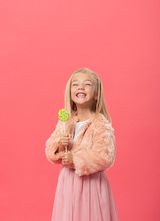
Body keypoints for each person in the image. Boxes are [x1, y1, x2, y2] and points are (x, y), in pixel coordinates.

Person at [45, 68, 118, 221]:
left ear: (96, 94)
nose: (80, 87)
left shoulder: (100, 123)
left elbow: (105, 156)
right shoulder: (66, 121)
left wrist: (75, 159)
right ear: (70, 93)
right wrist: (59, 144)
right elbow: (51, 150)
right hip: (68, 183)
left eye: (87, 84)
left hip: (91, 186)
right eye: (75, 84)